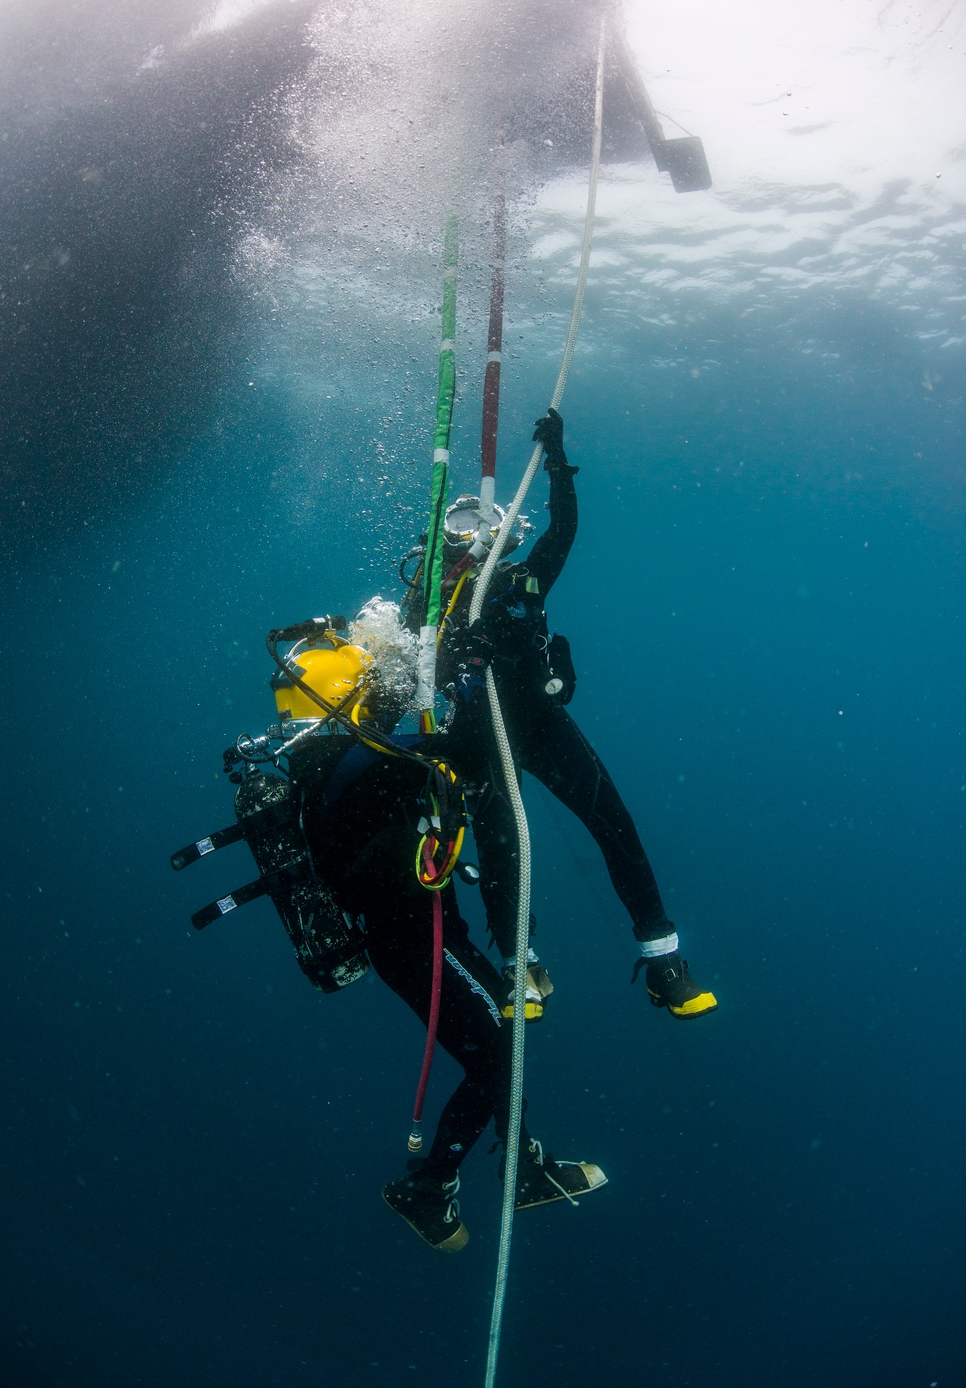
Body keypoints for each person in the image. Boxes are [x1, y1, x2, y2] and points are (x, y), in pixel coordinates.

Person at [408, 409, 718, 1021]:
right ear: (444, 534)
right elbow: (418, 678)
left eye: (485, 521)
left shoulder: (524, 580)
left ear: (505, 532)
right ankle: (519, 963)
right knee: (503, 851)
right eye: (460, 521)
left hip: (542, 725)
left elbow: (565, 530)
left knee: (616, 825)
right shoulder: (430, 597)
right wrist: (451, 653)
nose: (473, 533)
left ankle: (664, 962)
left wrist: (558, 464)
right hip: (480, 739)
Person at [302, 729, 608, 1251]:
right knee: (499, 1047)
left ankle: (520, 1168)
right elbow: (395, 861)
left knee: (503, 1043)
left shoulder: (369, 760)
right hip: (415, 941)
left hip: (420, 935)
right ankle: (434, 1185)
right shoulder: (391, 762)